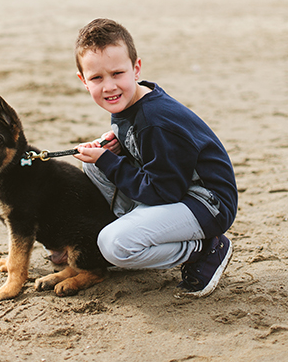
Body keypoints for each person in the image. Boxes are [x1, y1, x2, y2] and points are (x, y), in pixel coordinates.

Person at [72, 18, 237, 298]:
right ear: (84, 81)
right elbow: (151, 161)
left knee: (113, 245)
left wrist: (109, 160)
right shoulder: (131, 102)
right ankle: (143, 233)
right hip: (175, 189)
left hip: (207, 203)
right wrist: (116, 151)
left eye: (117, 73)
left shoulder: (154, 119)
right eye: (97, 78)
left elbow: (164, 191)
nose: (109, 86)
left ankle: (203, 249)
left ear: (136, 69)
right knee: (96, 167)